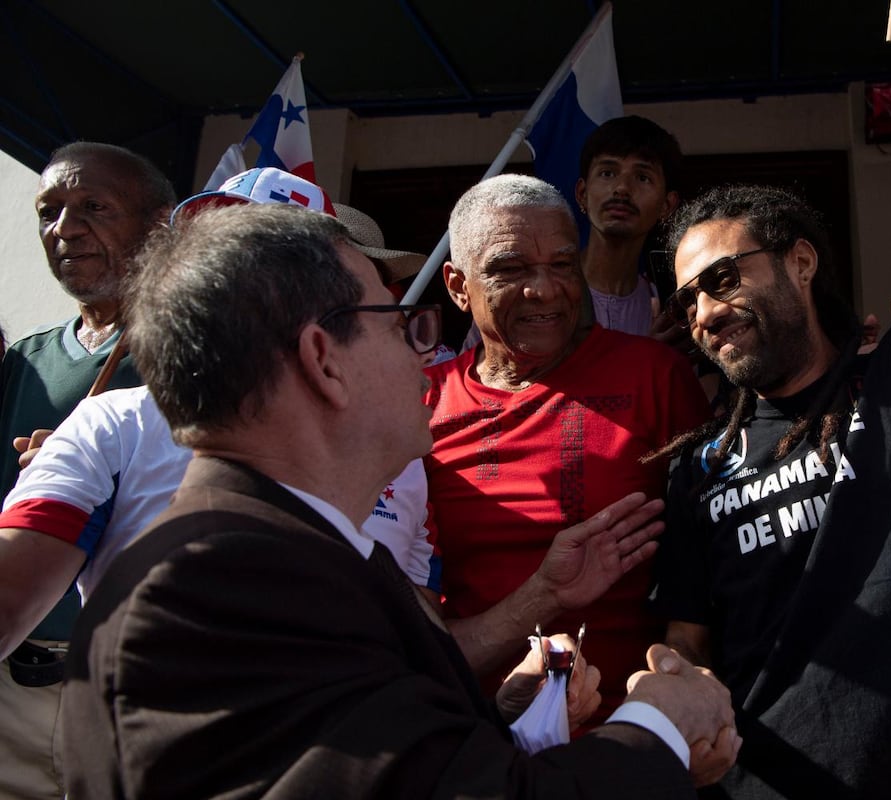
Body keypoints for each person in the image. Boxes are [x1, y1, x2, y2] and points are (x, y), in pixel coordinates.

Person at [62, 202, 736, 798]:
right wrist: (661, 724)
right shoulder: (222, 584)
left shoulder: (293, 562)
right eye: (395, 323)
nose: (424, 353)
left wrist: (499, 717)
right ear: (325, 360)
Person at [647, 0, 891, 795]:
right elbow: (690, 648)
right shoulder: (698, 467)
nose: (705, 312)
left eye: (723, 279)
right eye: (688, 300)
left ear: (802, 263)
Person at [0, 170, 443, 665]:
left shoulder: (392, 440)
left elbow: (419, 637)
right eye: (217, 249)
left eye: (279, 257)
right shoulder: (112, 424)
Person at [426, 174, 712, 720]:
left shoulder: (653, 375)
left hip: (629, 732)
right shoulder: (420, 404)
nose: (545, 289)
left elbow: (708, 558)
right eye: (511, 269)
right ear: (459, 286)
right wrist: (543, 597)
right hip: (470, 733)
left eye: (561, 265)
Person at [0, 141, 174, 800]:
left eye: (93, 207)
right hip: (13, 688)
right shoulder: (25, 360)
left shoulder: (199, 358)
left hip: (131, 695)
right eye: (49, 210)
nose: (64, 229)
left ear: (159, 224)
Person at [575, 115, 682, 336]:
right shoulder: (546, 293)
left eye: (642, 178)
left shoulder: (666, 310)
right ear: (582, 194)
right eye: (607, 173)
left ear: (666, 205)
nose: (622, 188)